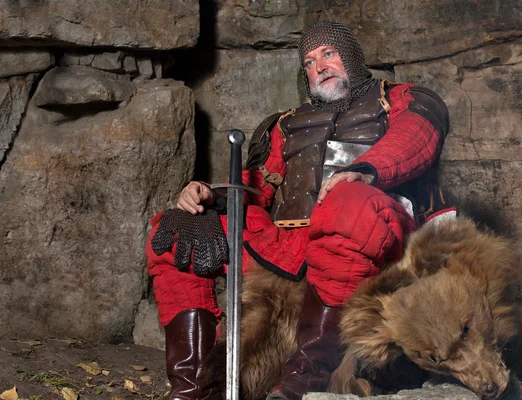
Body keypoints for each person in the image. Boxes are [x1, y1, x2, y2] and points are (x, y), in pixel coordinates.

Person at [146, 20, 451, 400]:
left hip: (372, 232)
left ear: (352, 57)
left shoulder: (403, 98)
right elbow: (256, 184)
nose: (318, 65)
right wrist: (208, 194)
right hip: (290, 243)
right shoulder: (286, 124)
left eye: (328, 53)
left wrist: (364, 171)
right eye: (308, 61)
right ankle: (195, 389)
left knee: (348, 204)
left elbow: (417, 136)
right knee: (175, 230)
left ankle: (306, 378)